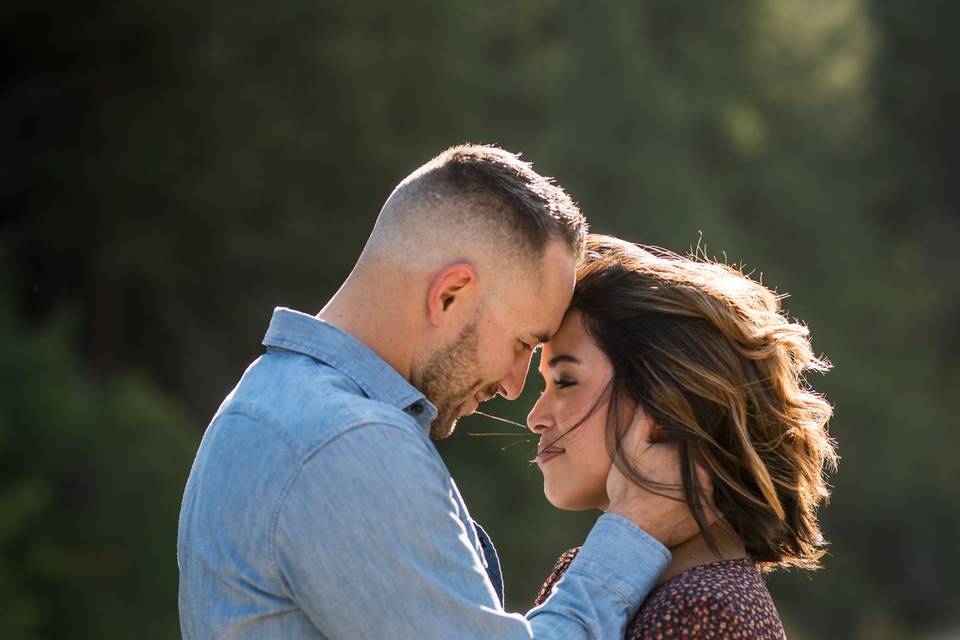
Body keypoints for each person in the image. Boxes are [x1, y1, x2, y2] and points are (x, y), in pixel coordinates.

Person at [177, 146, 698, 639]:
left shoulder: (265, 399)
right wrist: (635, 530)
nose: (516, 386)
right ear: (451, 295)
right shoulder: (349, 443)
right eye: (522, 343)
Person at [529, 235, 838, 639]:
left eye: (565, 381)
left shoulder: (703, 612)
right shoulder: (633, 586)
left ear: (662, 406)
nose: (536, 417)